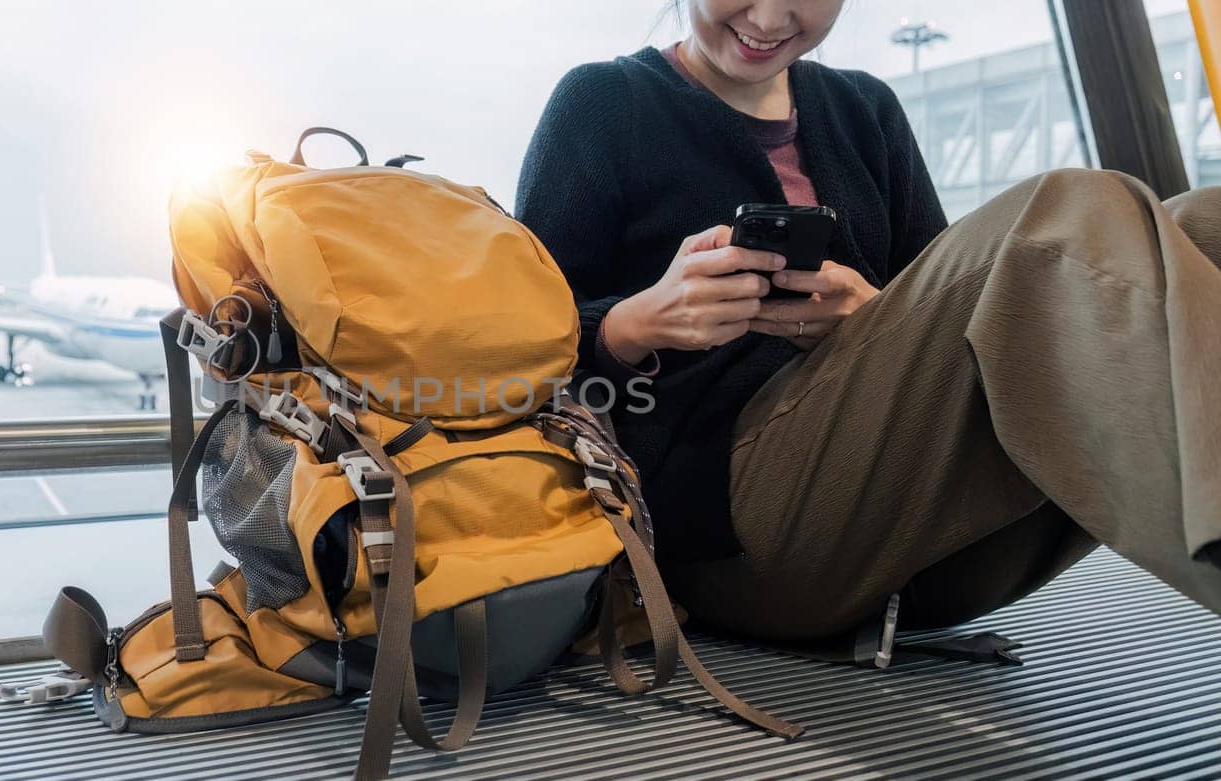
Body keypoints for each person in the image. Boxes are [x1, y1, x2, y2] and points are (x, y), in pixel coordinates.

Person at [515, 0, 1221, 655]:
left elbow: (961, 322)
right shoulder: (603, 105)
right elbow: (517, 370)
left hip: (920, 541)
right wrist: (635, 326)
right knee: (1068, 213)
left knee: (1206, 225)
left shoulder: (865, 110)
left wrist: (868, 315)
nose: (768, 16)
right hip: (729, 537)